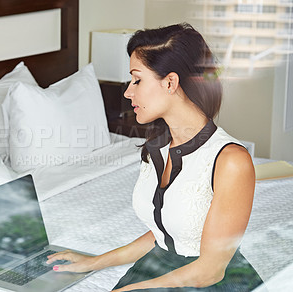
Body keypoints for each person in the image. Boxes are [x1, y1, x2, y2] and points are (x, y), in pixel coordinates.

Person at [46, 23, 264, 291]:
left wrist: (133, 289)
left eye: (137, 80)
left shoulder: (230, 160)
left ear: (170, 82)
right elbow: (166, 234)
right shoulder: (156, 149)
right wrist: (94, 262)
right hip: (159, 267)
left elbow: (211, 270)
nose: (128, 92)